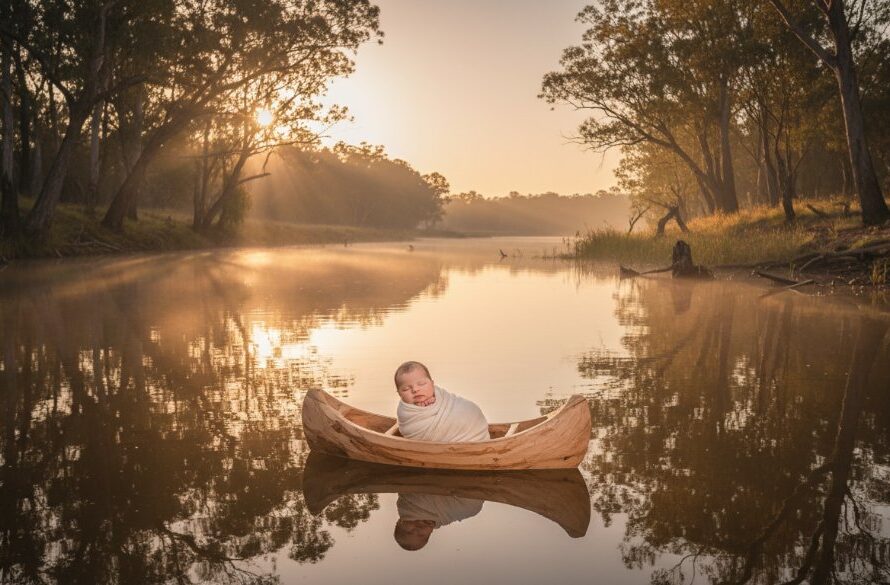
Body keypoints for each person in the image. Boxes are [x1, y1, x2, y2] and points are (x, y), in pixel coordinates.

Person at [394, 361, 489, 442]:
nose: (415, 389)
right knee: (460, 420)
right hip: (445, 429)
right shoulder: (405, 412)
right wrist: (423, 408)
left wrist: (434, 404)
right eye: (406, 389)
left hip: (466, 422)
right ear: (399, 394)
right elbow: (410, 425)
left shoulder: (442, 398)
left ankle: (475, 437)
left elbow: (448, 404)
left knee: (469, 411)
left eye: (421, 384)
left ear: (432, 384)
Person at [393, 493, 484, 551]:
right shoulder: (446, 515)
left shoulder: (407, 505)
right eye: (421, 535)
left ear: (400, 522)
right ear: (430, 532)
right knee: (471, 508)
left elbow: (410, 493)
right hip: (468, 489)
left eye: (409, 532)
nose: (417, 530)